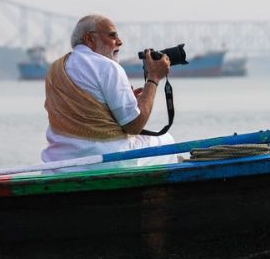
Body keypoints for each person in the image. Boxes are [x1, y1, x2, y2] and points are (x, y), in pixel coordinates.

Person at [41, 13, 176, 172]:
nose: (120, 41)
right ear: (90, 39)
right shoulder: (109, 67)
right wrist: (154, 78)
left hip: (60, 163)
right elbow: (134, 126)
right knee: (167, 140)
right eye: (112, 36)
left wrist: (114, 105)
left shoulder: (56, 67)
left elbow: (85, 111)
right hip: (106, 161)